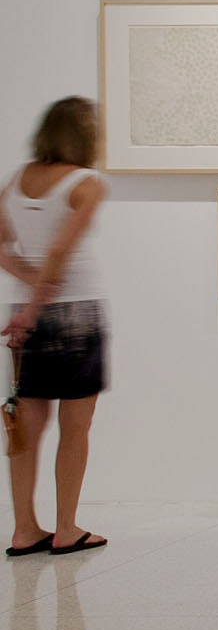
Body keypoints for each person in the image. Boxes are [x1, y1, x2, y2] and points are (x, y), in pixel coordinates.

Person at [1, 98, 110, 556]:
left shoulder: (19, 179)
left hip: (32, 312)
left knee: (26, 426)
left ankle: (25, 529)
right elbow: (61, 253)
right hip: (77, 314)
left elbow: (5, 248)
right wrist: (37, 303)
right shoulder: (87, 183)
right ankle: (66, 528)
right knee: (75, 427)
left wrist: (28, 296)